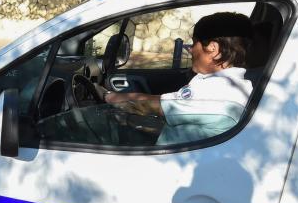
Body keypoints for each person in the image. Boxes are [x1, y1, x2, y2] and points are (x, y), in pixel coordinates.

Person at [104, 11, 254, 145]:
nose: (190, 49)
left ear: (213, 49)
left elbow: (148, 104)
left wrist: (107, 97)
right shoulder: (239, 85)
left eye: (195, 43)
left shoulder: (214, 91)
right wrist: (131, 121)